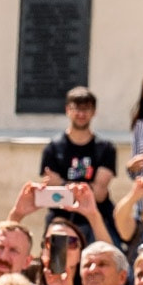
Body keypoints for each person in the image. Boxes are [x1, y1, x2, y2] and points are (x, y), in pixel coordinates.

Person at [37, 87, 119, 247]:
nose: (81, 114)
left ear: (94, 112)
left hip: (96, 222)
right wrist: (85, 190)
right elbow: (50, 194)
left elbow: (99, 194)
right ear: (67, 110)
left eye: (86, 109)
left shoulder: (105, 148)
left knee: (102, 265)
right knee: (56, 269)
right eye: (76, 109)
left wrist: (62, 184)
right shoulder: (53, 148)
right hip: (61, 223)